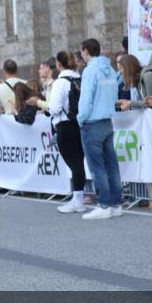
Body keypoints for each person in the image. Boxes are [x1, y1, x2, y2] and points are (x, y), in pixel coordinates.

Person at [76, 39, 122, 220]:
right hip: (107, 120)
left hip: (92, 121)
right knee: (111, 164)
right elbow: (114, 94)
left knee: (97, 167)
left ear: (86, 51)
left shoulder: (90, 70)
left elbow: (86, 98)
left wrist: (81, 118)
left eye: (82, 51)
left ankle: (104, 204)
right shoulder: (110, 69)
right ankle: (116, 204)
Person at [49, 50, 88, 213]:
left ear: (59, 64)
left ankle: (78, 200)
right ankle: (78, 197)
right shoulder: (80, 78)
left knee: (74, 164)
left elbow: (55, 108)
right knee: (79, 161)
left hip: (65, 125)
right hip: (80, 123)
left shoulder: (60, 82)